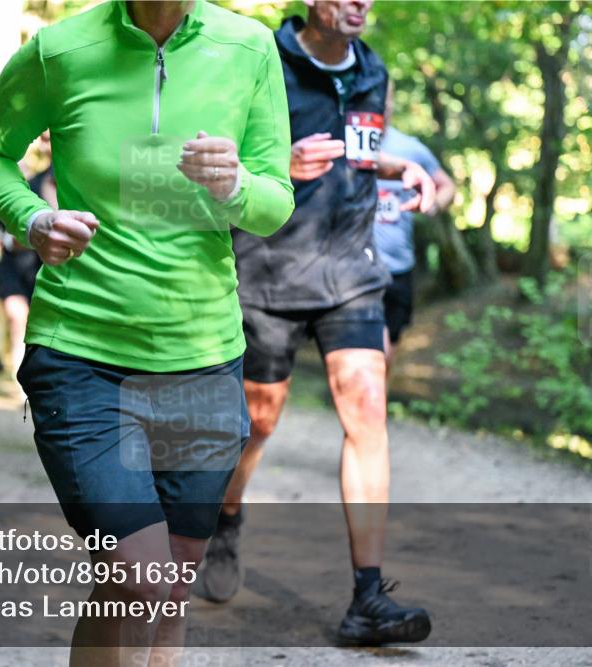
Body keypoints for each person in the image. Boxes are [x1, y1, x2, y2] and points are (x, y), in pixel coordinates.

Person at [0, 1, 293, 663]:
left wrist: (235, 186)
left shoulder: (250, 47)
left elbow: (275, 201)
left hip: (203, 353)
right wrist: (31, 217)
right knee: (138, 573)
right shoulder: (60, 50)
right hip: (81, 350)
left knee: (166, 584)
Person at [198, 0, 436, 646]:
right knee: (260, 421)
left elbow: (356, 151)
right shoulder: (260, 61)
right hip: (269, 269)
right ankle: (225, 513)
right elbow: (212, 159)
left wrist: (400, 166)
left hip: (350, 271)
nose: (360, 3)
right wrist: (271, 166)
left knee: (366, 408)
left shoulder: (373, 72)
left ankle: (368, 594)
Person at [375, 81, 456, 362]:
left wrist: (431, 204)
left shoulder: (410, 149)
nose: (380, 108)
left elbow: (447, 186)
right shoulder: (347, 145)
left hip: (398, 268)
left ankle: (377, 405)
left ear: (392, 104)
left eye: (385, 102)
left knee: (387, 354)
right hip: (357, 266)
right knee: (374, 351)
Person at [0, 131, 50, 400]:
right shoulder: (18, 185)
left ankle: (38, 377)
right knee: (16, 317)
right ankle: (20, 381)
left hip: (39, 266)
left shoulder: (50, 182)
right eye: (44, 139)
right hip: (11, 264)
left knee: (36, 323)